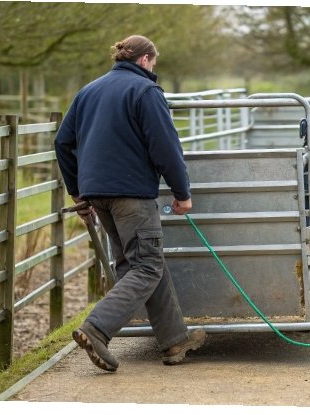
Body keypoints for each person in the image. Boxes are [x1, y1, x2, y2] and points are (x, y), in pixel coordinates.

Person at [54, 35, 205, 372]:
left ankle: (174, 341)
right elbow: (166, 146)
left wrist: (79, 194)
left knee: (140, 264)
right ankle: (96, 329)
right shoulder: (145, 91)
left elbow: (63, 142)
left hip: (99, 195)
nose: (154, 69)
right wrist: (182, 193)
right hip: (132, 196)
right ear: (145, 60)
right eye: (154, 63)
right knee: (147, 266)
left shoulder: (88, 91)